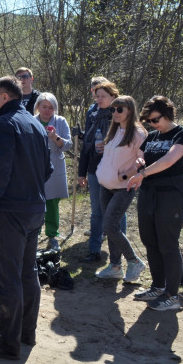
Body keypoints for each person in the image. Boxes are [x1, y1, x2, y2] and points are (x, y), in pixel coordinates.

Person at [0, 76, 51, 361]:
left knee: (8, 277)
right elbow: (48, 169)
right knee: (27, 272)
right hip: (34, 209)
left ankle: (8, 343)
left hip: (11, 211)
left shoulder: (2, 126)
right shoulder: (34, 124)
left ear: (5, 97)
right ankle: (25, 333)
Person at [127, 96, 183, 311]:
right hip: (148, 193)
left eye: (155, 120)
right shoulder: (153, 136)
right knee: (150, 241)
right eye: (150, 122)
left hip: (170, 195)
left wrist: (143, 172)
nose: (153, 125)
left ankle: (172, 296)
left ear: (167, 115)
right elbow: (141, 156)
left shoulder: (182, 135)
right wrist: (139, 163)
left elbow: (169, 160)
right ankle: (157, 286)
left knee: (168, 245)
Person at [92, 95, 147, 282]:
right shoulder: (114, 130)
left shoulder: (139, 133)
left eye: (119, 109)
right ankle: (115, 266)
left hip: (124, 187)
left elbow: (142, 161)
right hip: (105, 186)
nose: (115, 113)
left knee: (110, 225)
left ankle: (134, 261)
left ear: (129, 110)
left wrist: (125, 175)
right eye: (113, 110)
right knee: (110, 228)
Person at [78, 81, 126, 262]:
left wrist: (110, 148)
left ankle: (121, 253)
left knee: (117, 212)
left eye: (103, 96)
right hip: (94, 169)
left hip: (117, 171)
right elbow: (86, 147)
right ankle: (94, 250)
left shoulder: (121, 116)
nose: (99, 99)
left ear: (114, 97)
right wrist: (82, 173)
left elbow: (130, 146)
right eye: (97, 95)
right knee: (97, 212)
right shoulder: (93, 115)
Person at [32, 92, 72, 251]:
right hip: (35, 165)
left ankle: (52, 234)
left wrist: (55, 137)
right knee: (34, 201)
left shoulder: (60, 121)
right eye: (44, 107)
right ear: (38, 107)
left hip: (55, 164)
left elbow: (68, 145)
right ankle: (33, 233)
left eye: (51, 107)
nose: (47, 110)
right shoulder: (31, 121)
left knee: (52, 202)